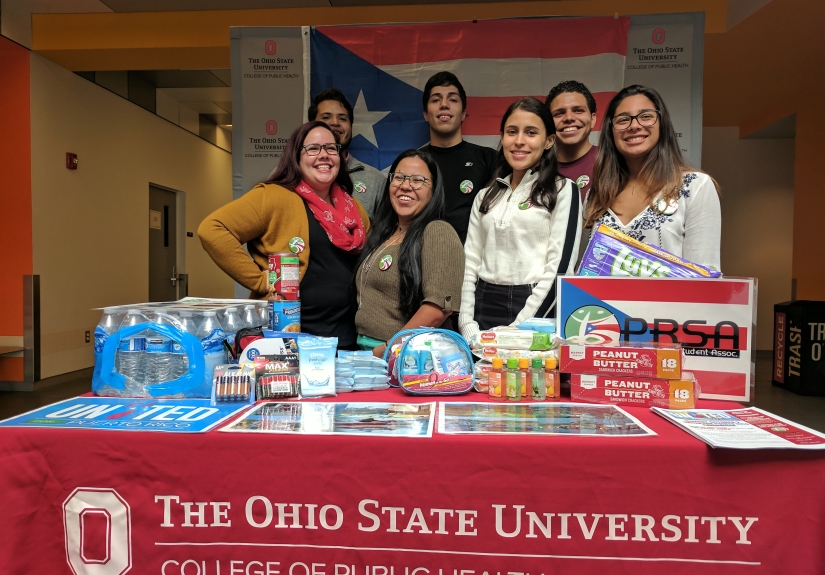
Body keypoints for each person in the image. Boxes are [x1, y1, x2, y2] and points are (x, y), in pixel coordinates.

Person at [198, 121, 369, 349]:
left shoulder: (354, 208)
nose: (324, 155)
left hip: (347, 342)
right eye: (313, 149)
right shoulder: (274, 197)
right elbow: (212, 229)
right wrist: (262, 281)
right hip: (288, 342)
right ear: (296, 156)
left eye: (331, 148)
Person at [459, 98, 581, 344]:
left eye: (531, 133)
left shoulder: (563, 190)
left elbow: (561, 268)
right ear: (502, 137)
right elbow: (470, 261)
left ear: (549, 141)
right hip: (482, 304)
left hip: (535, 308)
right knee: (482, 383)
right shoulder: (486, 195)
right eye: (511, 131)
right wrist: (466, 323)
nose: (519, 141)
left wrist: (519, 329)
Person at [583, 85, 721, 270]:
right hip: (597, 300)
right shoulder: (595, 196)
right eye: (623, 120)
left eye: (646, 116)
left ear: (662, 123)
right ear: (611, 130)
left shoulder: (694, 187)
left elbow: (705, 275)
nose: (634, 125)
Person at [355, 149, 464, 358]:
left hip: (408, 358)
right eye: (399, 177)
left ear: (433, 189)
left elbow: (437, 310)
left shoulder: (438, 231)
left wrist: (386, 350)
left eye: (418, 180)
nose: (405, 186)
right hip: (368, 355)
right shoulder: (382, 233)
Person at [419, 71, 496, 243]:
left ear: (463, 114)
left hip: (475, 263)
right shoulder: (413, 163)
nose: (444, 105)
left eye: (453, 99)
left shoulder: (489, 159)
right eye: (436, 99)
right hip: (422, 260)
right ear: (425, 114)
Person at [308, 88, 386, 218]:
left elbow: (386, 234)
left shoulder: (376, 181)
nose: (335, 122)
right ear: (311, 125)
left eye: (342, 118)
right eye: (326, 117)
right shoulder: (291, 174)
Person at [545, 80, 599, 204]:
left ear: (592, 119)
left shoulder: (613, 163)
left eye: (578, 110)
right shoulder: (536, 170)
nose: (569, 118)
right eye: (559, 113)